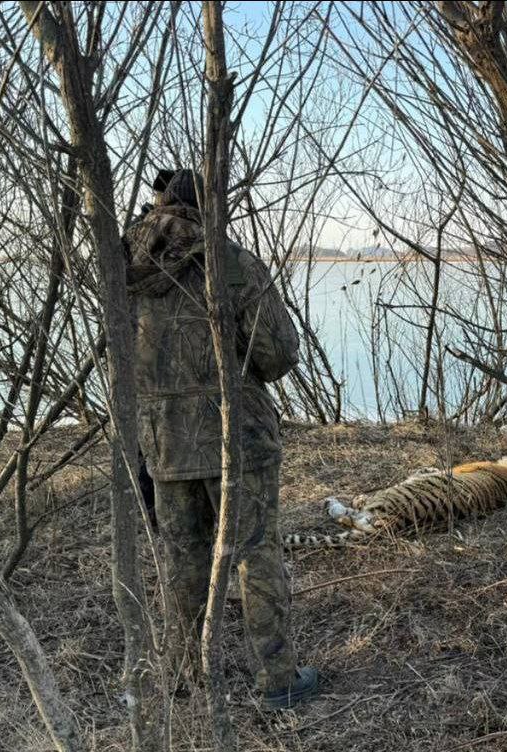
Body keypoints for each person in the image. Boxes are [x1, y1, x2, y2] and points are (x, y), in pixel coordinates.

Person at [124, 168, 318, 709]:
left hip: (162, 440)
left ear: (157, 203)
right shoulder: (228, 261)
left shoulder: (121, 265)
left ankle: (182, 679)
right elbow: (277, 354)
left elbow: (118, 361)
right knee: (256, 555)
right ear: (208, 205)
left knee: (182, 558)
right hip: (239, 438)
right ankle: (278, 679)